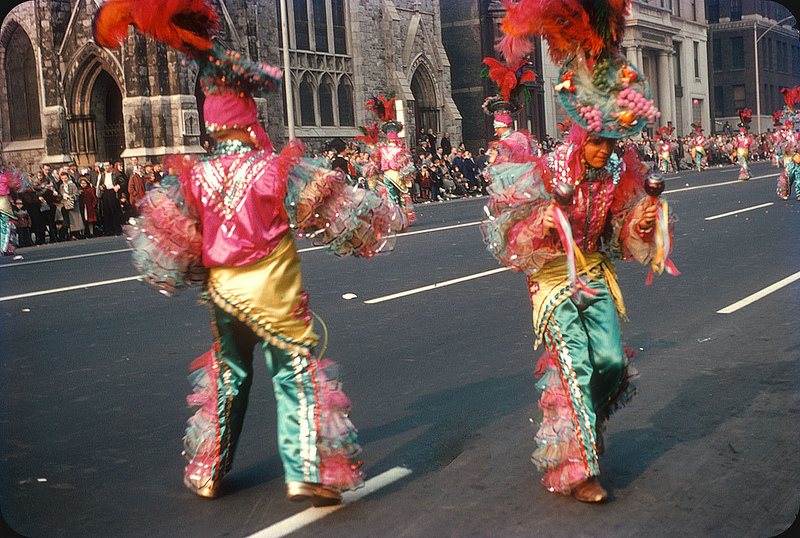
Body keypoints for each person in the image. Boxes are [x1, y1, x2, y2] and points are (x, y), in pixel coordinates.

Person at [94, 0, 409, 505]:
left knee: (229, 376)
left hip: (225, 293)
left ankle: (207, 469)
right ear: (244, 121)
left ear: (213, 125)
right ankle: (306, 469)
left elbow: (173, 241)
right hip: (273, 286)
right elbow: (335, 209)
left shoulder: (196, 177)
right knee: (293, 371)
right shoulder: (270, 169)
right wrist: (381, 218)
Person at [483, 0, 674, 503]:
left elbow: (621, 226)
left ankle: (582, 430)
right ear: (581, 132)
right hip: (553, 278)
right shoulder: (549, 171)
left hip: (596, 272)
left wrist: (643, 219)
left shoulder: (616, 171)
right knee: (574, 367)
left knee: (609, 362)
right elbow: (513, 232)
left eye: (614, 143)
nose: (607, 151)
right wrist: (547, 218)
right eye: (599, 142)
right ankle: (579, 468)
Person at [776, 87, 800, 200]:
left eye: (792, 123)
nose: (791, 125)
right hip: (788, 157)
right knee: (789, 175)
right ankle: (785, 192)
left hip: (797, 156)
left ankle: (799, 194)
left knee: (798, 174)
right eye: (790, 123)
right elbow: (780, 146)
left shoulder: (797, 134)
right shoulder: (783, 134)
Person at [97, 161, 124, 235]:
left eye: (107, 165)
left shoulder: (116, 174)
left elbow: (123, 182)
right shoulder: (102, 175)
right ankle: (108, 230)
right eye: (104, 166)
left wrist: (118, 186)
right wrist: (101, 187)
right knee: (106, 212)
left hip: (113, 193)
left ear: (111, 166)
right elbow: (100, 183)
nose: (106, 167)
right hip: (105, 193)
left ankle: (117, 229)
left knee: (114, 211)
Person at [58, 169, 84, 240]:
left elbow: (76, 195)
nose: (64, 180)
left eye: (65, 178)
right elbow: (60, 195)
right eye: (62, 178)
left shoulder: (72, 185)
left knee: (74, 220)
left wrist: (70, 197)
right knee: (66, 220)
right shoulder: (61, 186)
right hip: (65, 204)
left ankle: (75, 234)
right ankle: (65, 235)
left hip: (73, 204)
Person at [734, 108, 755, 180]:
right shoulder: (748, 138)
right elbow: (751, 145)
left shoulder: (738, 137)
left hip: (740, 150)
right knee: (744, 162)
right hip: (745, 150)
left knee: (743, 163)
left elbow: (735, 144)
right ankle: (746, 173)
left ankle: (746, 173)